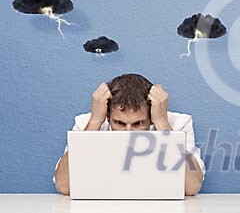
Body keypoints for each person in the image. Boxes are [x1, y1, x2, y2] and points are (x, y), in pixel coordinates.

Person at [53, 73, 205, 196]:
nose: (128, 133)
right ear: (107, 116)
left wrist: (161, 122)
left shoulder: (177, 124)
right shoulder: (88, 123)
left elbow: (192, 187)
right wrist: (94, 122)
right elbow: (63, 185)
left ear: (151, 117)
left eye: (138, 123)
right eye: (119, 123)